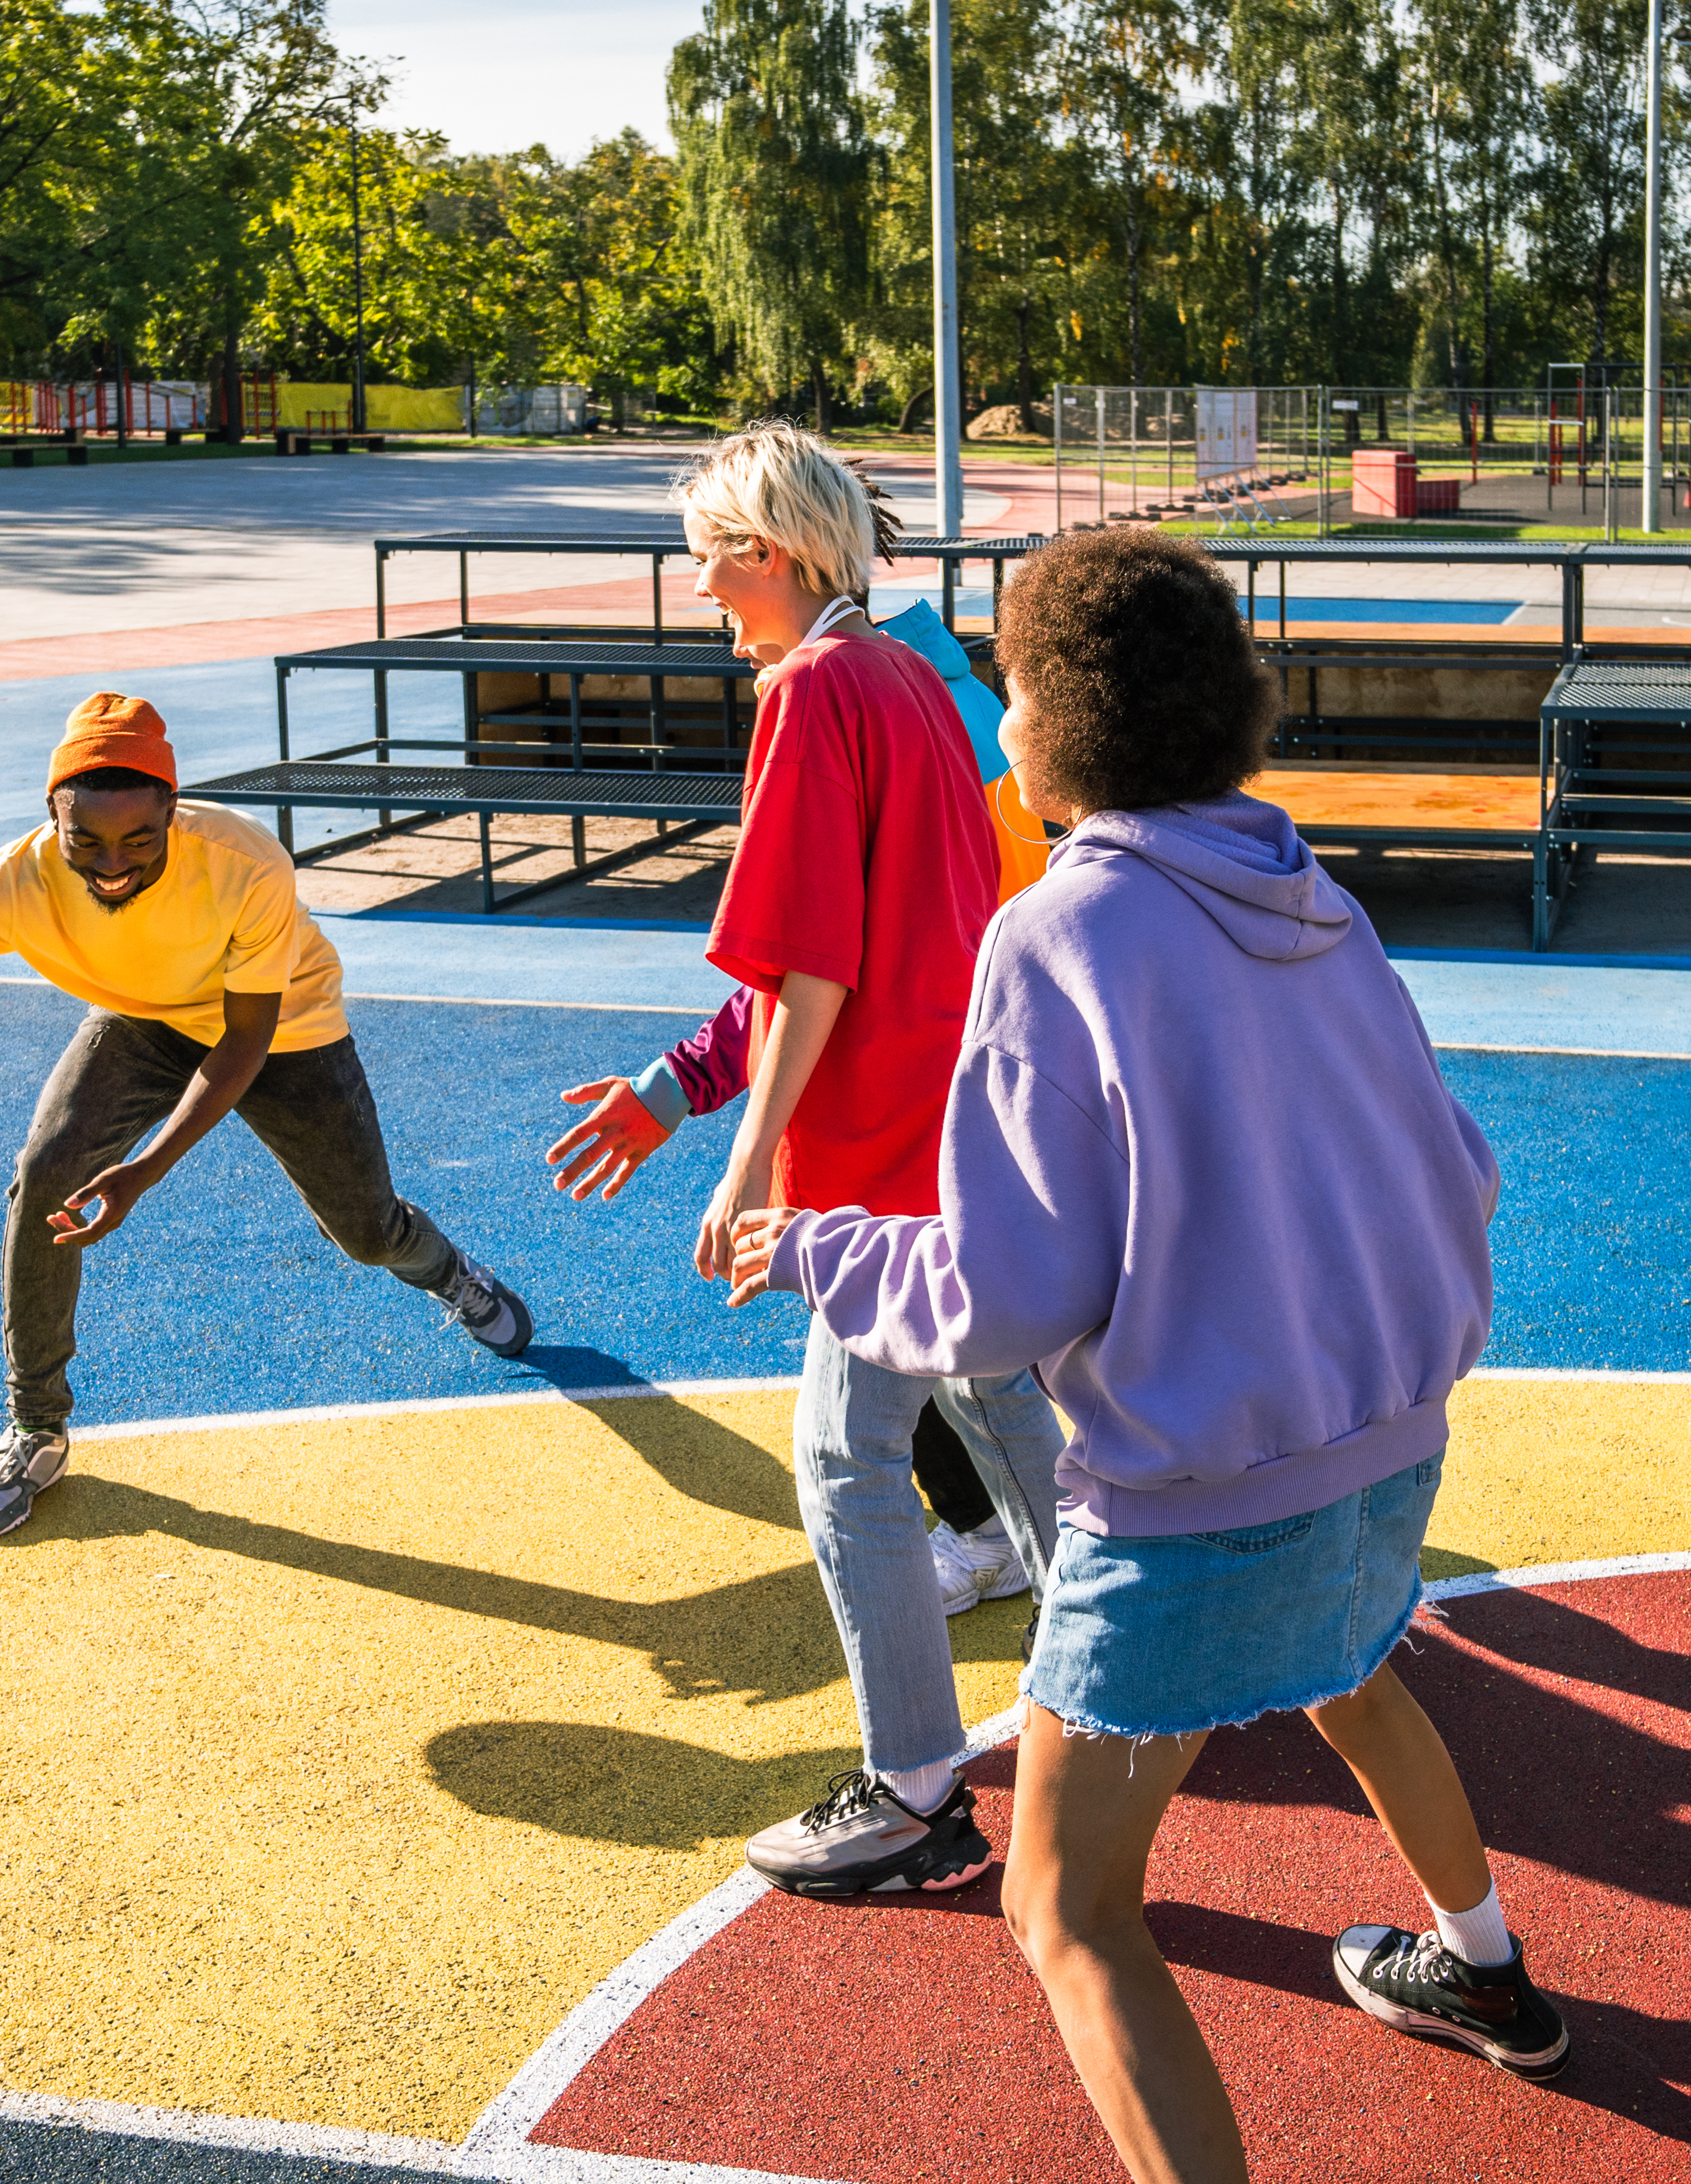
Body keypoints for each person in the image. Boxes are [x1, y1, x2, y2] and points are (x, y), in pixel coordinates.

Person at [729, 529, 1568, 2177]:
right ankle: (1481, 1970)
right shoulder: (1310, 894)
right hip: (1387, 1443)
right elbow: (1452, 1162)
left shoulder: (1057, 935)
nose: (996, 717)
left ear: (1059, 718)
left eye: (1006, 686)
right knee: (1348, 1662)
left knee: (1065, 1907)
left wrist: (820, 1248)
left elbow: (1004, 1295)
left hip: (1191, 1503)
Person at [568, 420, 1073, 1901]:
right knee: (996, 1398)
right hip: (957, 1120)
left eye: (707, 559)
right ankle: (1123, 1662)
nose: (698, 586)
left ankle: (917, 1791)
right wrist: (677, 1092)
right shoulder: (912, 680)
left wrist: (738, 1176)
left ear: (772, 556)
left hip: (870, 1148)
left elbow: (808, 974)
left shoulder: (809, 693)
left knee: (846, 1454)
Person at [0, 691, 534, 1542]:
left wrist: (146, 1168)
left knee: (366, 1232)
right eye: (84, 839)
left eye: (138, 839)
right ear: (51, 818)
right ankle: (35, 1428)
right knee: (44, 1177)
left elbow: (241, 1045)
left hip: (281, 1030)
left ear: (174, 808)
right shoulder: (14, 884)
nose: (111, 863)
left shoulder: (245, 865)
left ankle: (446, 1271)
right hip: (140, 1020)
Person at [549, 989, 1031, 1619]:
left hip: (889, 1157)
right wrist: (675, 1083)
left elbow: (803, 983)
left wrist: (729, 1142)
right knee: (970, 1371)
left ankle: (1003, 1544)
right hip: (917, 1147)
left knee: (871, 1422)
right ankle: (1012, 1543)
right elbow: (791, 986)